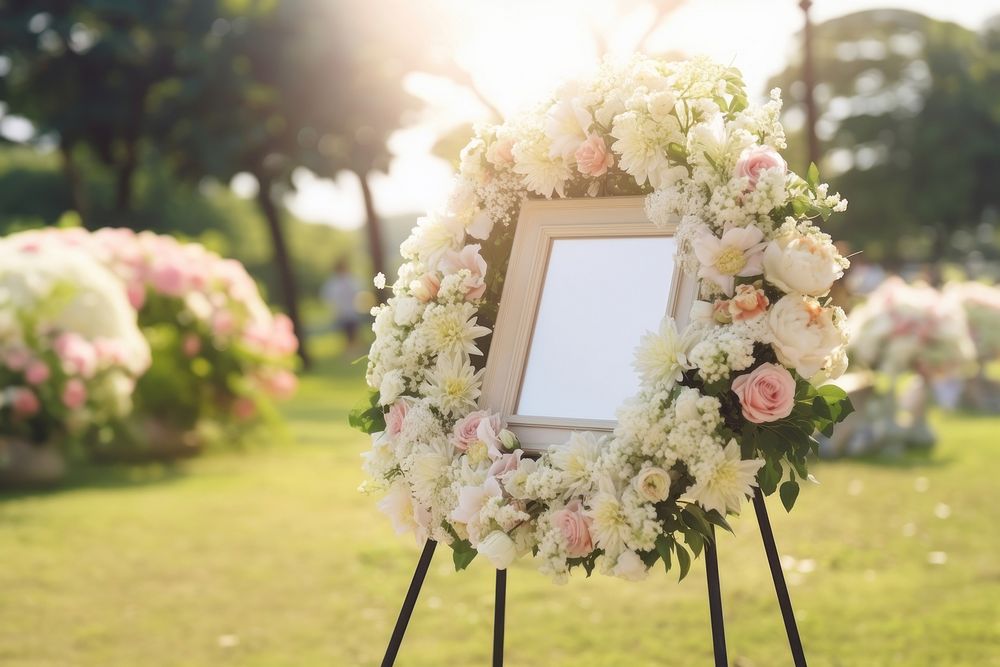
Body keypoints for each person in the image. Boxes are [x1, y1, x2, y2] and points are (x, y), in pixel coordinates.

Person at [321, 258, 362, 349]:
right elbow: (328, 297)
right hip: (341, 313)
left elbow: (358, 293)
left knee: (354, 333)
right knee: (347, 334)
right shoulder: (333, 283)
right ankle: (350, 350)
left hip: (352, 312)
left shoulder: (351, 280)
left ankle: (354, 349)